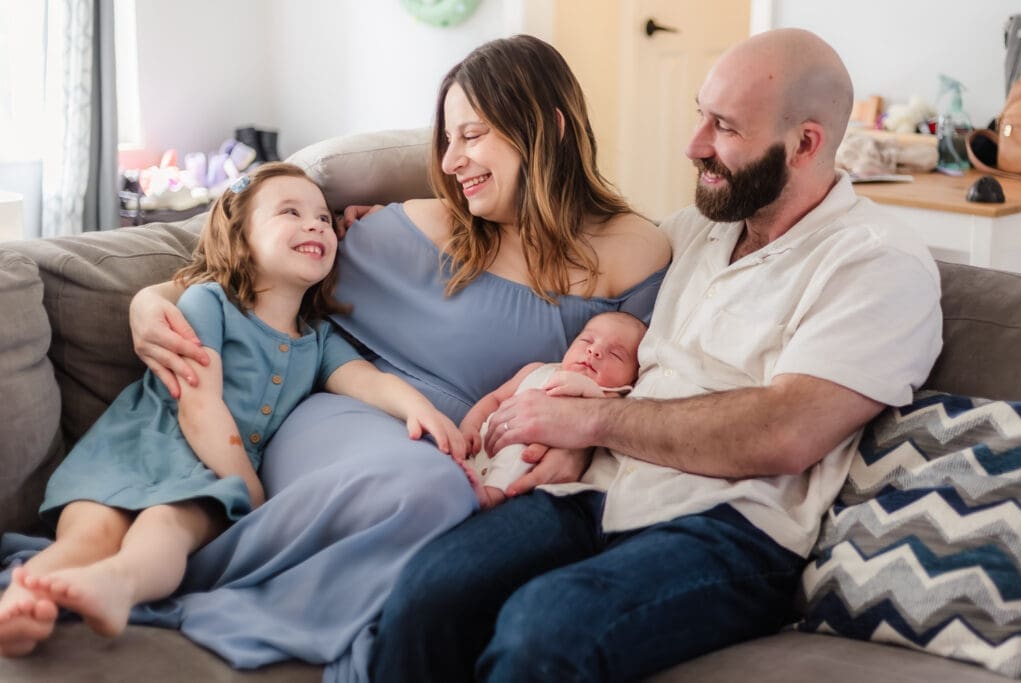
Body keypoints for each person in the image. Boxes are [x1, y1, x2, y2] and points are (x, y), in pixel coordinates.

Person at [0, 36, 670, 679]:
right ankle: (157, 570)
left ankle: (133, 570)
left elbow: (644, 377)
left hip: (457, 443)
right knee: (432, 489)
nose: (453, 159)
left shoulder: (640, 250)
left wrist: (582, 440)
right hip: (346, 409)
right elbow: (243, 273)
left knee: (453, 498)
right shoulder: (410, 227)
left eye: (473, 135)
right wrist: (149, 304)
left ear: (547, 127)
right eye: (447, 140)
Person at [370, 28, 945, 683]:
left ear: (806, 143)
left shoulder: (873, 260)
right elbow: (556, 243)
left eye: (723, 126)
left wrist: (586, 423)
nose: (693, 144)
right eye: (700, 113)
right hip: (596, 491)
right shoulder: (694, 230)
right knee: (426, 591)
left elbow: (785, 429)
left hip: (727, 528)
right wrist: (389, 230)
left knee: (545, 628)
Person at [0, 162, 465, 654]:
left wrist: (417, 407)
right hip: (131, 449)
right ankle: (20, 603)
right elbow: (197, 405)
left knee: (165, 529)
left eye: (324, 219)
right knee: (87, 536)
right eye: (291, 212)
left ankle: (117, 585)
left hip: (202, 480)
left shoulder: (319, 339)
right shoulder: (209, 302)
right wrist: (252, 494)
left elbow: (367, 380)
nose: (315, 224)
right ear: (241, 241)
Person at [459, 311, 646, 508]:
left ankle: (493, 495)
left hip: (523, 465)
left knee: (523, 450)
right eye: (586, 340)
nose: (594, 351)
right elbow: (495, 399)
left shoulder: (609, 396)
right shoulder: (536, 370)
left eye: (615, 354)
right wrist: (469, 426)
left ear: (633, 378)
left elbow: (603, 420)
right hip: (479, 450)